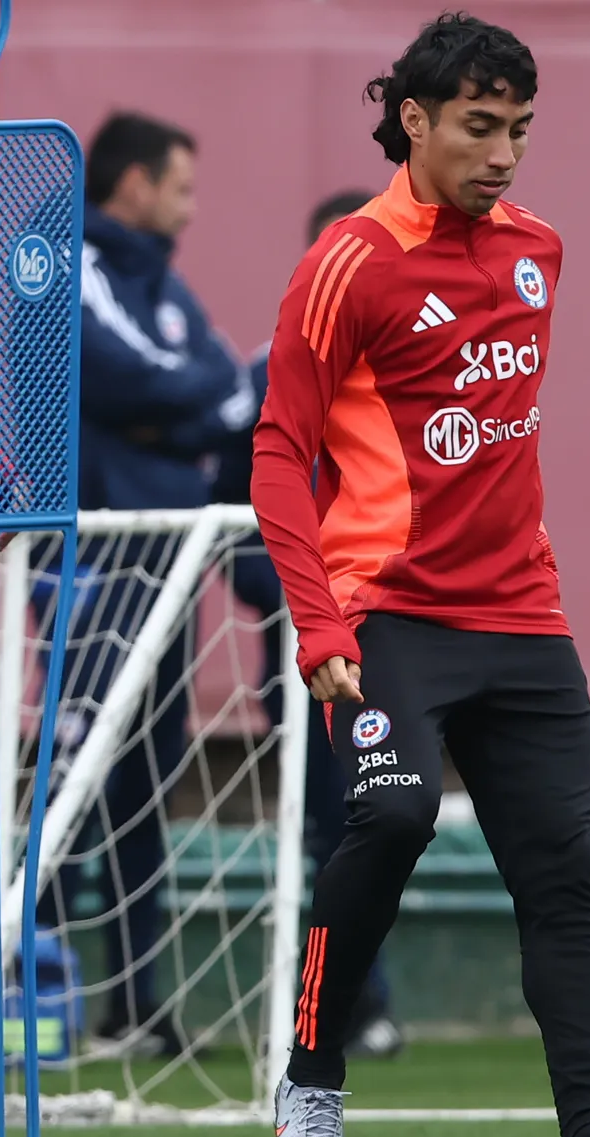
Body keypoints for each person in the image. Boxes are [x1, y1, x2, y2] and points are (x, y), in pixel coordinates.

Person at [251, 12, 590, 1137]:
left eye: (518, 127)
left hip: (522, 618)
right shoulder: (347, 262)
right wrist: (318, 629)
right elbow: (277, 457)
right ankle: (310, 1074)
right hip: (388, 615)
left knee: (563, 874)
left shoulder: (539, 251)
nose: (504, 151)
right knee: (395, 813)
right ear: (413, 120)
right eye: (478, 126)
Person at [34, 111, 253, 1057]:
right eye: (180, 186)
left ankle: (135, 1000)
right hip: (91, 561)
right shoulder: (63, 260)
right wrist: (172, 412)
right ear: (131, 184)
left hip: (171, 565)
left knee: (146, 785)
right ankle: (14, 985)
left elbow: (217, 389)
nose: (190, 208)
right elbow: (128, 377)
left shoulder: (166, 284)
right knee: (70, 779)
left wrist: (171, 413)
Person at [215, 188, 404, 1062]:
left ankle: (364, 1003)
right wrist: (294, 598)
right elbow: (233, 503)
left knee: (380, 813)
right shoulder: (262, 375)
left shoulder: (413, 361)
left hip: (395, 635)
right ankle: (335, 1011)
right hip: (304, 647)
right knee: (333, 826)